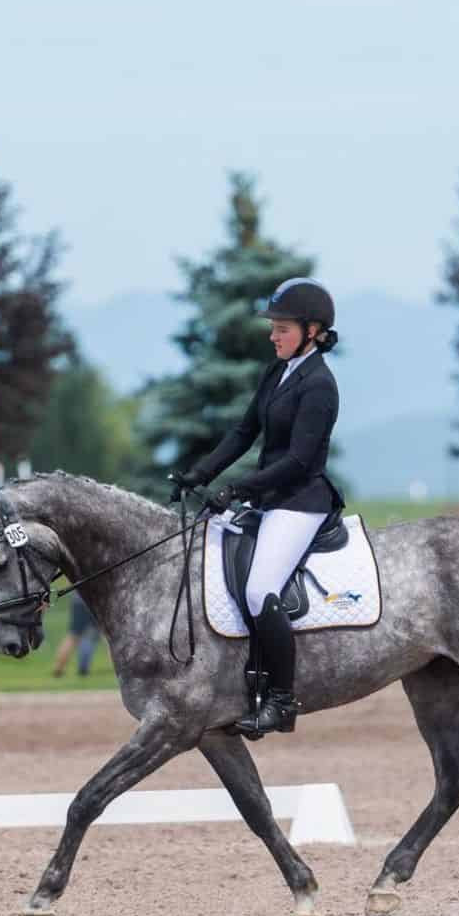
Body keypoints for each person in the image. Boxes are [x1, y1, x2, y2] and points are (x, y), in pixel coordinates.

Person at [173, 277, 345, 736]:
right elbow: (243, 432)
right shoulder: (278, 372)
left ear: (312, 332)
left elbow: (299, 460)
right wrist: (200, 474)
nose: (273, 336)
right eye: (273, 328)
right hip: (271, 498)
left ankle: (282, 701)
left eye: (282, 328)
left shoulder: (320, 386)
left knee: (258, 590)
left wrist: (239, 489)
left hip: (300, 502)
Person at [52, 595, 101, 677]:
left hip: (78, 600)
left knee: (73, 636)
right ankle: (83, 669)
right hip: (95, 600)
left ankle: (58, 669)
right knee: (98, 636)